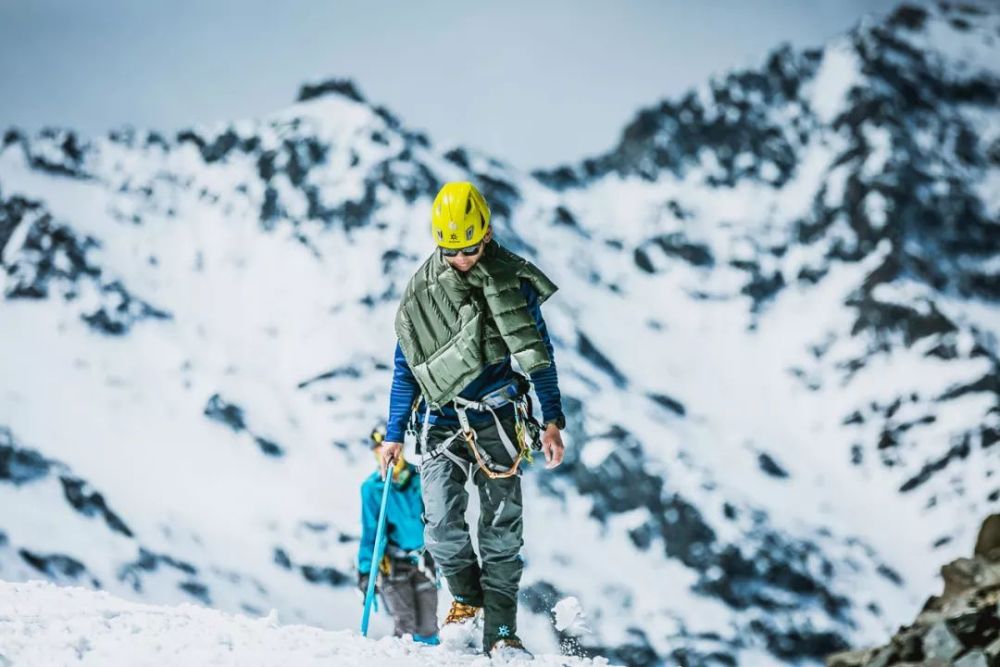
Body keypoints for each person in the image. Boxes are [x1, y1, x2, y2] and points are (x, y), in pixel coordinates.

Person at [378, 182, 566, 659]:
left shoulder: (513, 282)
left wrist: (552, 419)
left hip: (499, 418)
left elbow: (537, 356)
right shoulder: (422, 294)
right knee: (439, 525)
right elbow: (408, 367)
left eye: (471, 248)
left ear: (487, 234)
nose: (463, 259)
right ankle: (467, 599)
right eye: (452, 251)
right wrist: (394, 432)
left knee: (503, 532)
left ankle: (501, 633)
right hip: (441, 421)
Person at [358, 428, 440, 645]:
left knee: (428, 625)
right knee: (406, 624)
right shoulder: (373, 488)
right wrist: (366, 571)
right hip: (392, 564)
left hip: (424, 560)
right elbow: (371, 531)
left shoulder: (420, 478)